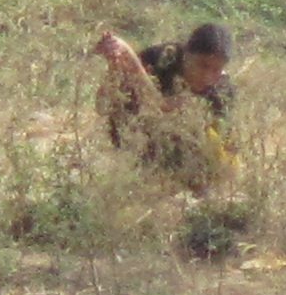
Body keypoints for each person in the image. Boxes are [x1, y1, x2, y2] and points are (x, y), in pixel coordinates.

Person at [95, 24, 237, 190]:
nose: (207, 76)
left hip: (186, 158)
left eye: (216, 69)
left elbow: (163, 107)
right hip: (138, 141)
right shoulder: (162, 58)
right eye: (202, 65)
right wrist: (116, 65)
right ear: (186, 54)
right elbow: (102, 106)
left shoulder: (222, 91)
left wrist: (129, 56)